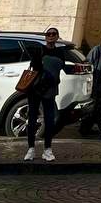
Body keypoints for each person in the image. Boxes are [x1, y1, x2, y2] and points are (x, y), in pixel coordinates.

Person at [24, 27, 66, 162]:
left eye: (54, 34)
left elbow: (61, 66)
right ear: (46, 37)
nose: (51, 36)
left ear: (57, 37)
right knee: (32, 118)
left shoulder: (60, 52)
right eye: (48, 34)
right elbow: (33, 66)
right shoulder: (39, 50)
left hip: (50, 89)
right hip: (36, 88)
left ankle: (47, 149)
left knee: (49, 119)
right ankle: (31, 148)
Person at [79, 33, 101, 134]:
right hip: (93, 82)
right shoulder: (96, 50)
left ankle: (88, 127)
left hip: (99, 82)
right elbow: (89, 65)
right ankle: (84, 128)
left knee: (96, 105)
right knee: (91, 106)